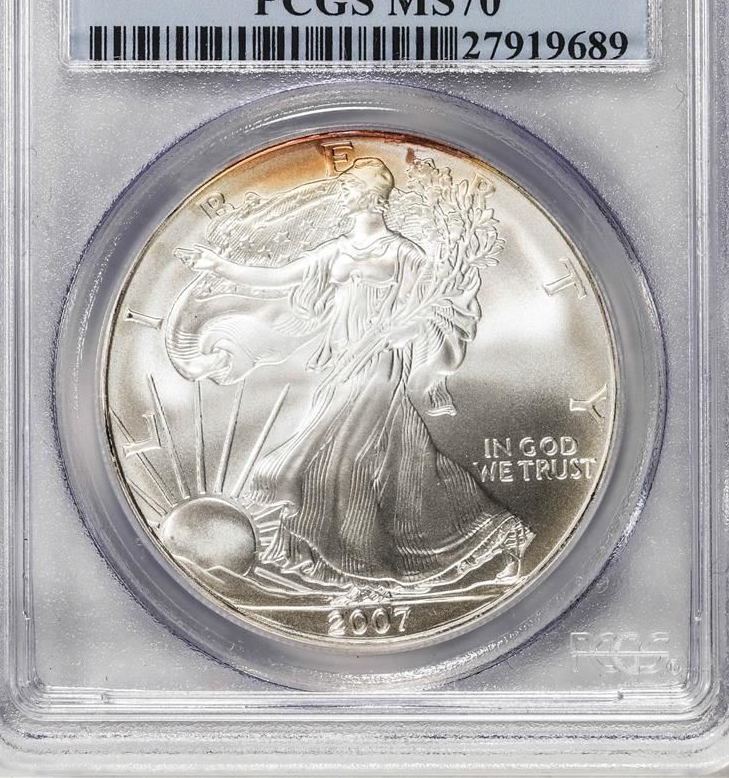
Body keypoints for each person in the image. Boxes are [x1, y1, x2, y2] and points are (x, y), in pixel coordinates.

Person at [171, 158, 531, 591]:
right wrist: (220, 266)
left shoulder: (403, 253)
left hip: (378, 365)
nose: (340, 194)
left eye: (347, 187)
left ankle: (360, 560)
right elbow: (280, 278)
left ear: (371, 194)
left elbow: (432, 308)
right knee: (405, 462)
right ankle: (492, 535)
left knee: (333, 459)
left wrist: (400, 331)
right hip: (341, 364)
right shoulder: (336, 251)